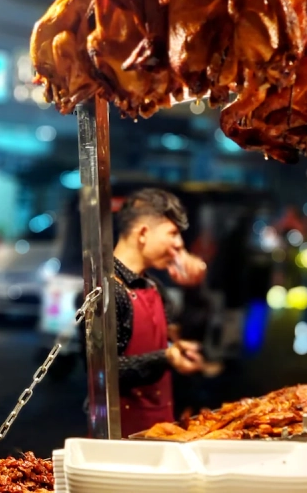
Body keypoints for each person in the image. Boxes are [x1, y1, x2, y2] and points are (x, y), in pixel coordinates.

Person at [112, 188, 207, 438]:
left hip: (161, 431)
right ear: (143, 233)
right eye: (173, 233)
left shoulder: (153, 286)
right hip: (122, 439)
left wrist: (193, 287)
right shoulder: (108, 290)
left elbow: (180, 336)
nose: (179, 244)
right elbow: (106, 371)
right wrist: (166, 358)